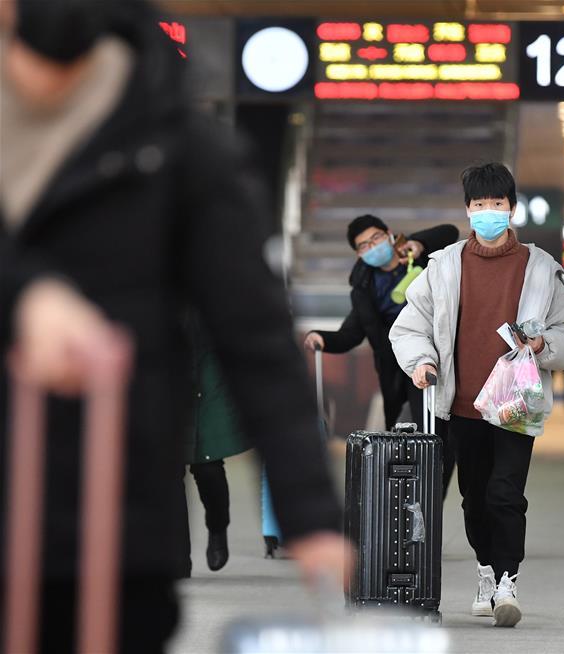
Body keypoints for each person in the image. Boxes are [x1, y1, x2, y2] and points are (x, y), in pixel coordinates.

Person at [0, 2, 348, 652]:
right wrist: (25, 296)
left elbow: (256, 336)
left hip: (112, 511)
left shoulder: (180, 149)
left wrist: (312, 516)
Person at [390, 162, 564, 628]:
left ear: (512, 209)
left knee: (504, 494)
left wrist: (542, 345)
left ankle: (507, 582)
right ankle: (486, 571)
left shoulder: (540, 268)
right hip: (461, 404)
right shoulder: (444, 267)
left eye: (497, 204)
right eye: (479, 205)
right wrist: (424, 363)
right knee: (473, 500)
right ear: (467, 210)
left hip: (515, 403)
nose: (488, 212)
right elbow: (409, 327)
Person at [304, 215, 459, 496]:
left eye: (375, 238)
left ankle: (431, 495)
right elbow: (350, 334)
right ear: (358, 254)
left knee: (436, 435)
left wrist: (418, 243)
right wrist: (322, 338)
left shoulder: (420, 258)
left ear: (388, 234)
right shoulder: (364, 286)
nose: (371, 247)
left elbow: (449, 231)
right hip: (394, 370)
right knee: (400, 437)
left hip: (431, 362)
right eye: (363, 246)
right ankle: (407, 500)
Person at [178, 321, 251, 576]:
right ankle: (178, 558)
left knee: (208, 466)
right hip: (169, 371)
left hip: (212, 372)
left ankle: (218, 526)